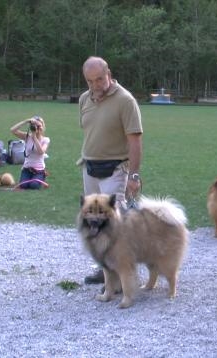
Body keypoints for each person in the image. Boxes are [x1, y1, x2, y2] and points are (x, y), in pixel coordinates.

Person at [78, 56, 143, 285]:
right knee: (93, 221)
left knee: (116, 225)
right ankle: (104, 267)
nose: (96, 85)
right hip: (90, 168)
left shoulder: (125, 100)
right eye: (90, 81)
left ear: (109, 74)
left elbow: (134, 141)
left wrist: (134, 175)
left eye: (99, 79)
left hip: (115, 169)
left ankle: (124, 271)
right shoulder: (84, 99)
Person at [10, 116, 50, 189]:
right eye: (35, 126)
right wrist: (26, 121)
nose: (37, 128)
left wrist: (34, 137)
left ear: (43, 127)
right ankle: (32, 178)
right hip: (27, 168)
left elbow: (41, 152)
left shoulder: (45, 140)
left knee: (34, 186)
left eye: (39, 126)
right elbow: (13, 130)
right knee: (23, 186)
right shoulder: (27, 136)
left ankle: (42, 175)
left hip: (39, 170)